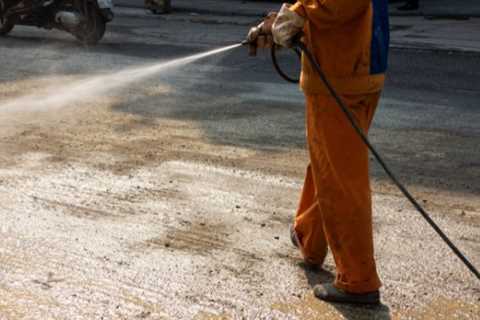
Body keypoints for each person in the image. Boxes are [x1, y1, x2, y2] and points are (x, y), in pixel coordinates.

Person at [247, 0, 389, 305]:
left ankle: (358, 281)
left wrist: (298, 14)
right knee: (330, 162)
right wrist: (285, 19)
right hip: (358, 61)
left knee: (340, 178)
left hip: (342, 68)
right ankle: (308, 235)